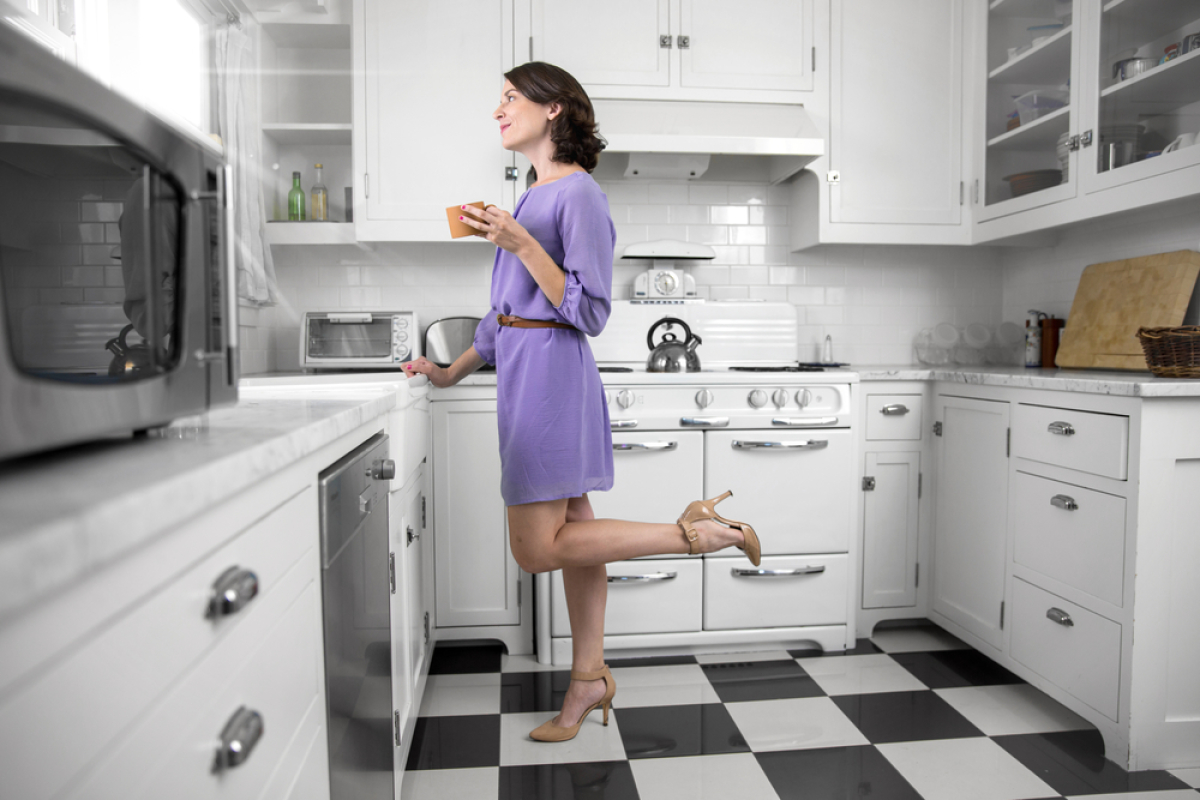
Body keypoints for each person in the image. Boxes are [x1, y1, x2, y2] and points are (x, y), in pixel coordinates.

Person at [401, 62, 762, 743]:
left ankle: (697, 532)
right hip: (522, 371)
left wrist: (521, 242)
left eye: (511, 98)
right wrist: (451, 372)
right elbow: (504, 313)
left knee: (538, 550)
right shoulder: (532, 195)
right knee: (574, 539)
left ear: (556, 109)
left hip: (553, 380)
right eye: (499, 99)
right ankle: (588, 679)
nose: (498, 110)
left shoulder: (580, 196)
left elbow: (590, 310)